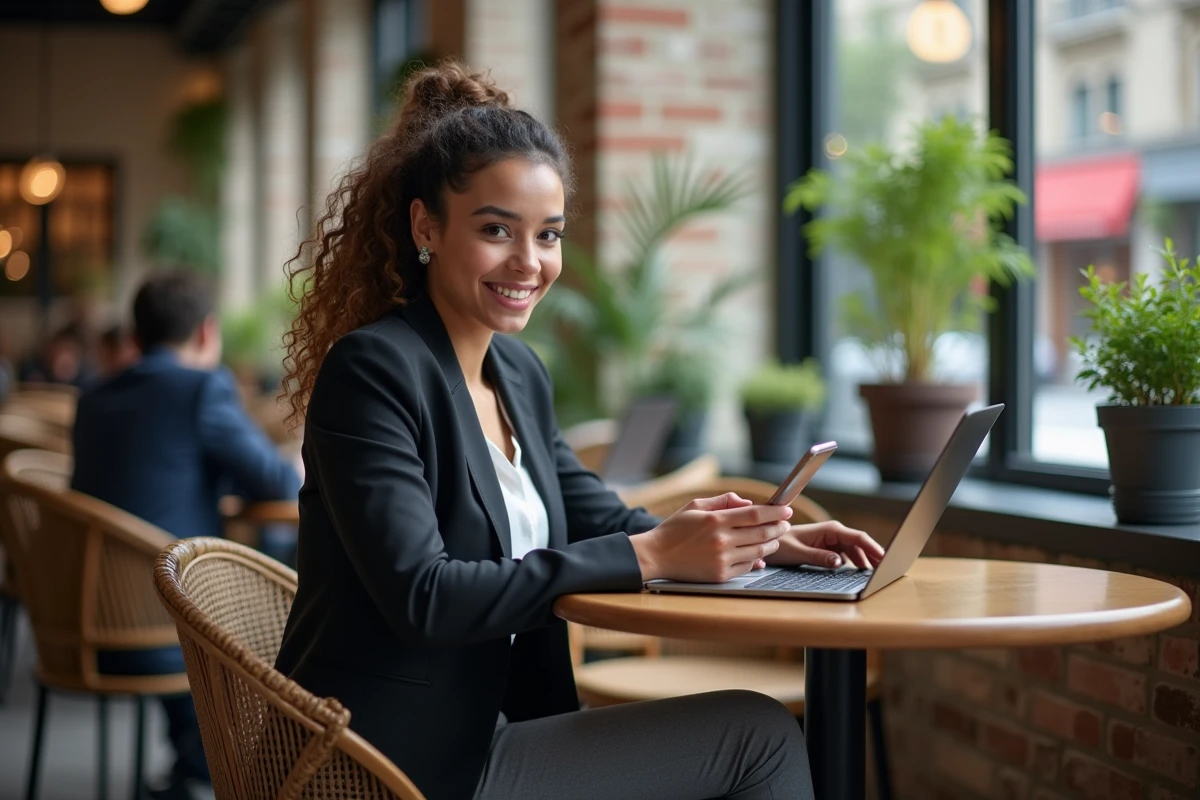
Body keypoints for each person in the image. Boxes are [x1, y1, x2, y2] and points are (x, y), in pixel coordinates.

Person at [274, 61, 885, 800]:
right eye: (496, 230)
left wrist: (756, 543)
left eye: (549, 235)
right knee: (757, 738)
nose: (528, 263)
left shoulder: (519, 374)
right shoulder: (373, 370)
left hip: (490, 726)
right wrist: (649, 552)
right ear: (425, 227)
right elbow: (424, 595)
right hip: (388, 760)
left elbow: (594, 514)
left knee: (754, 733)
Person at [72, 270, 303, 800]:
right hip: (173, 622)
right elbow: (276, 482)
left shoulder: (92, 397)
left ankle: (192, 766)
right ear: (206, 333)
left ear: (135, 337)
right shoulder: (202, 386)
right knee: (286, 600)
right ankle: (222, 768)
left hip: (84, 620)